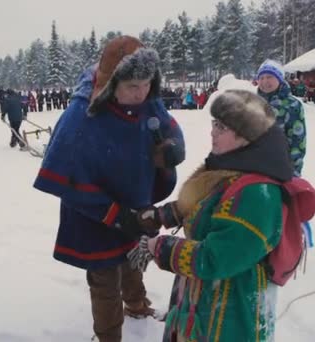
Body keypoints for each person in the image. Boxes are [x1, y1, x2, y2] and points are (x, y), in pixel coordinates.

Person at [33, 36, 185, 342]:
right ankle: (108, 336)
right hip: (97, 215)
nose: (142, 93)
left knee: (133, 262)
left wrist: (173, 150)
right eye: (132, 87)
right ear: (110, 83)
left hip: (135, 201)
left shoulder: (148, 98)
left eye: (146, 84)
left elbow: (169, 127)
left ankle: (138, 306)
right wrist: (117, 216)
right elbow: (70, 183)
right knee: (104, 282)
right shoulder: (80, 118)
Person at [127, 90, 300, 341]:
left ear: (246, 137)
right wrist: (162, 215)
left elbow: (215, 258)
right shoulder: (230, 166)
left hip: (228, 313)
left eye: (221, 126)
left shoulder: (258, 194)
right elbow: (205, 203)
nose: (212, 131)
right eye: (214, 123)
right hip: (201, 302)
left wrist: (160, 248)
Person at [256, 59, 306, 176]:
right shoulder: (253, 103)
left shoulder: (292, 105)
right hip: (254, 167)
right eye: (261, 78)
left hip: (280, 169)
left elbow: (298, 143)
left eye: (269, 77)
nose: (265, 81)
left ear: (279, 79)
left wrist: (293, 174)